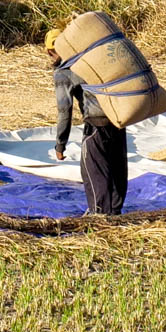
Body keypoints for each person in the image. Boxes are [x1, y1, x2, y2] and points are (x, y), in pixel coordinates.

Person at [47, 29, 128, 215]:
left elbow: (64, 112)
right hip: (118, 119)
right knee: (116, 171)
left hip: (96, 124)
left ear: (51, 51)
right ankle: (115, 216)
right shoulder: (92, 59)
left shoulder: (64, 72)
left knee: (94, 173)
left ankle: (100, 220)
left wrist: (60, 145)